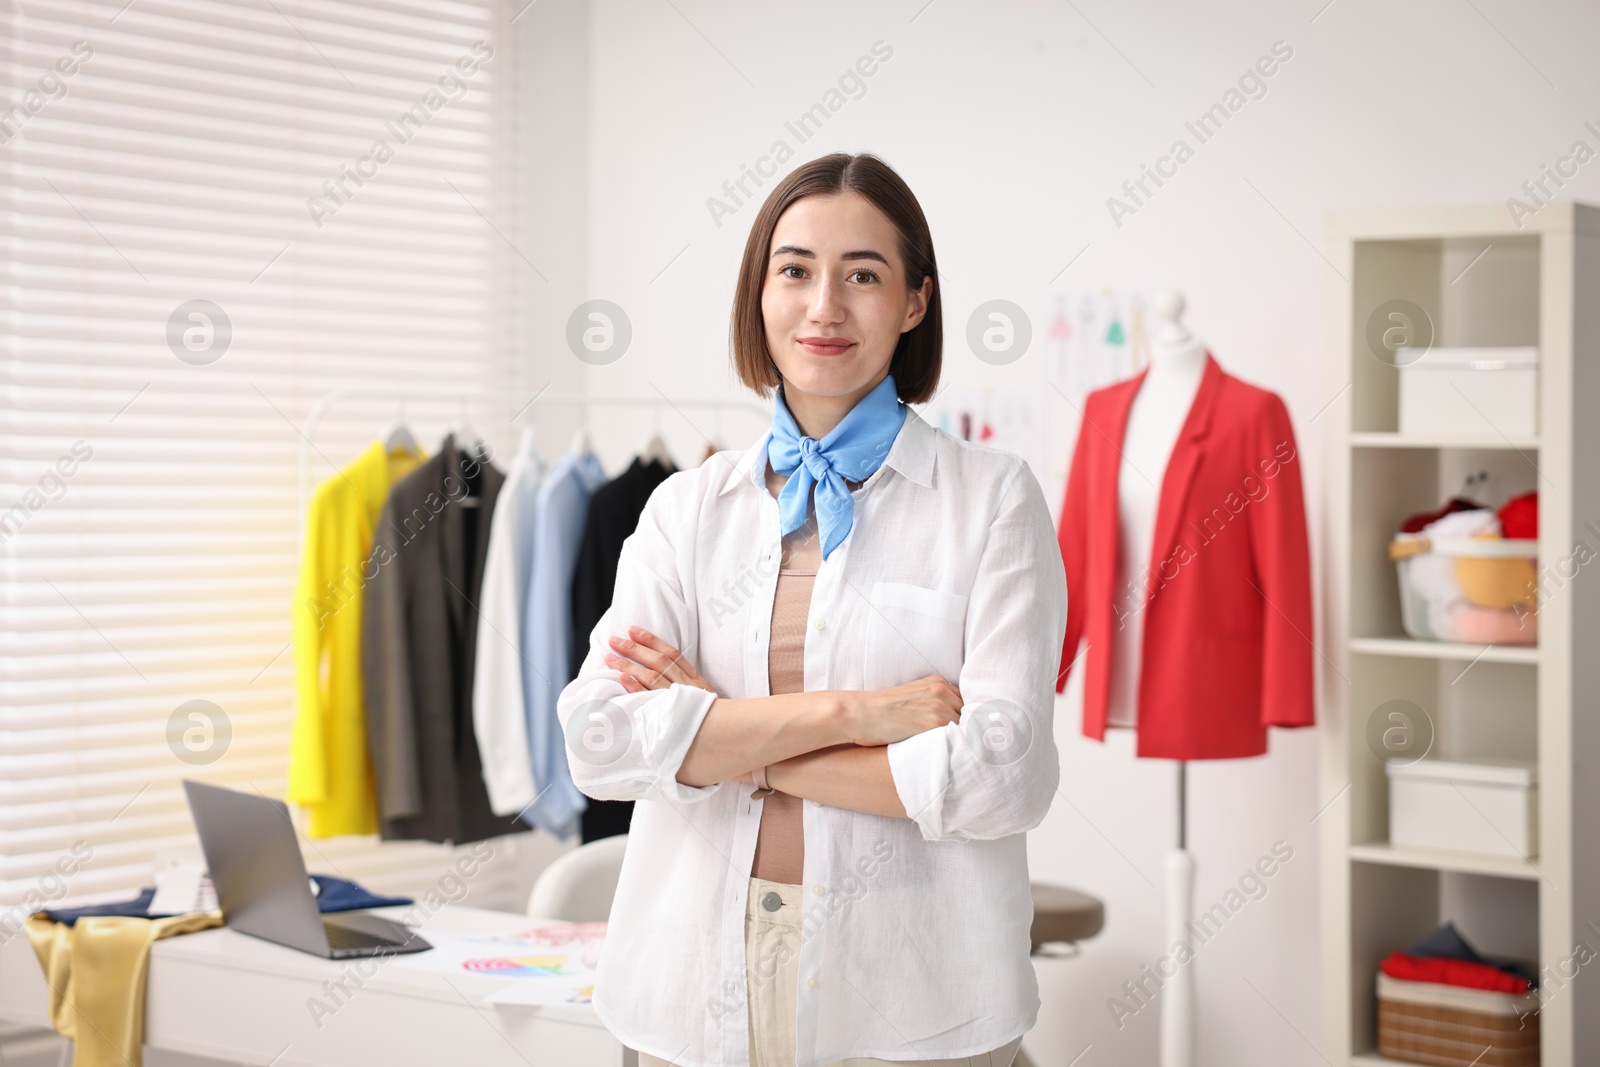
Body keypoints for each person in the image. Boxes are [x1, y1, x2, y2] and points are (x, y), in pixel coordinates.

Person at [555, 152, 1066, 1067]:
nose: (824, 305)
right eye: (794, 270)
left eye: (862, 274)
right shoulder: (688, 507)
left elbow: (1004, 777)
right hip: (685, 984)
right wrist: (859, 717)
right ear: (761, 292)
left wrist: (727, 737)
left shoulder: (990, 499)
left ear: (914, 302)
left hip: (912, 990)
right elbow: (599, 739)